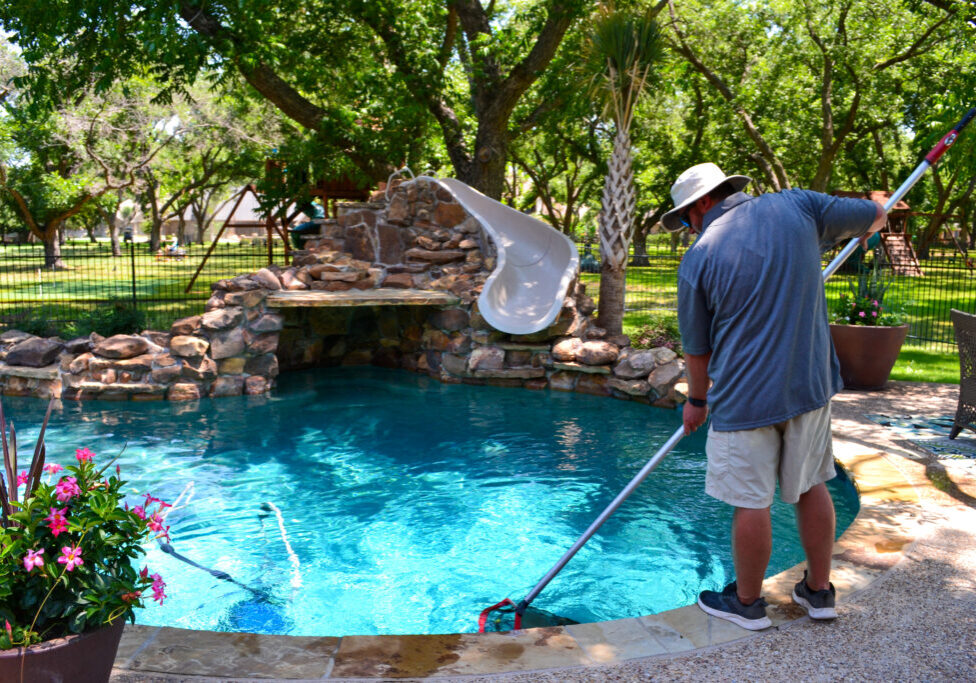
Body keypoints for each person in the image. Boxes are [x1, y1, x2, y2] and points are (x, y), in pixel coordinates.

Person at [662, 162, 886, 630]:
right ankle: (819, 592)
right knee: (812, 484)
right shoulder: (799, 206)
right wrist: (877, 206)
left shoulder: (698, 258)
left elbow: (697, 349)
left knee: (751, 501)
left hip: (744, 399)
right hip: (809, 387)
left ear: (703, 203)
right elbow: (875, 216)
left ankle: (746, 604)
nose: (689, 227)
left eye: (685, 217)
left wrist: (697, 402)